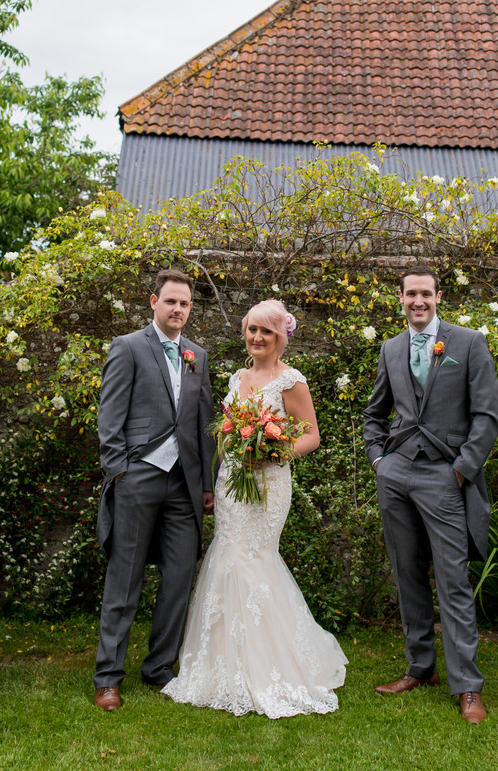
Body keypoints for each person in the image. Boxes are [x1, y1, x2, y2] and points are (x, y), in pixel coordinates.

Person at [162, 300, 349, 717]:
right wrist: (234, 446)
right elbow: (226, 431)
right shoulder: (238, 376)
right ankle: (221, 661)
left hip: (268, 484)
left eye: (266, 331)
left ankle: (269, 664)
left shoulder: (290, 381)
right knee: (228, 555)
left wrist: (274, 454)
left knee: (253, 559)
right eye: (252, 331)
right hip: (232, 482)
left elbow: (312, 436)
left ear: (281, 336)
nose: (258, 338)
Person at [363, 265, 498, 725]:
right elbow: (374, 413)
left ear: (438, 297)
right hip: (397, 473)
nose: (418, 301)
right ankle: (420, 668)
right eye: (410, 295)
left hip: (445, 474)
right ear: (399, 298)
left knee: (453, 580)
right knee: (407, 575)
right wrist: (379, 461)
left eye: (426, 294)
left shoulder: (468, 343)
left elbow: (487, 417)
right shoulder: (391, 348)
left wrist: (461, 471)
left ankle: (468, 687)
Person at [93, 268, 216, 712]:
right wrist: (119, 471)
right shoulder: (128, 347)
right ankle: (108, 677)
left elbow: (205, 424)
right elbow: (110, 416)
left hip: (184, 485)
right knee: (124, 580)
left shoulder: (197, 355)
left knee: (179, 578)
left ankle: (160, 668)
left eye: (185, 304)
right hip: (138, 477)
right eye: (171, 302)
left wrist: (206, 483)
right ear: (153, 302)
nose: (179, 309)